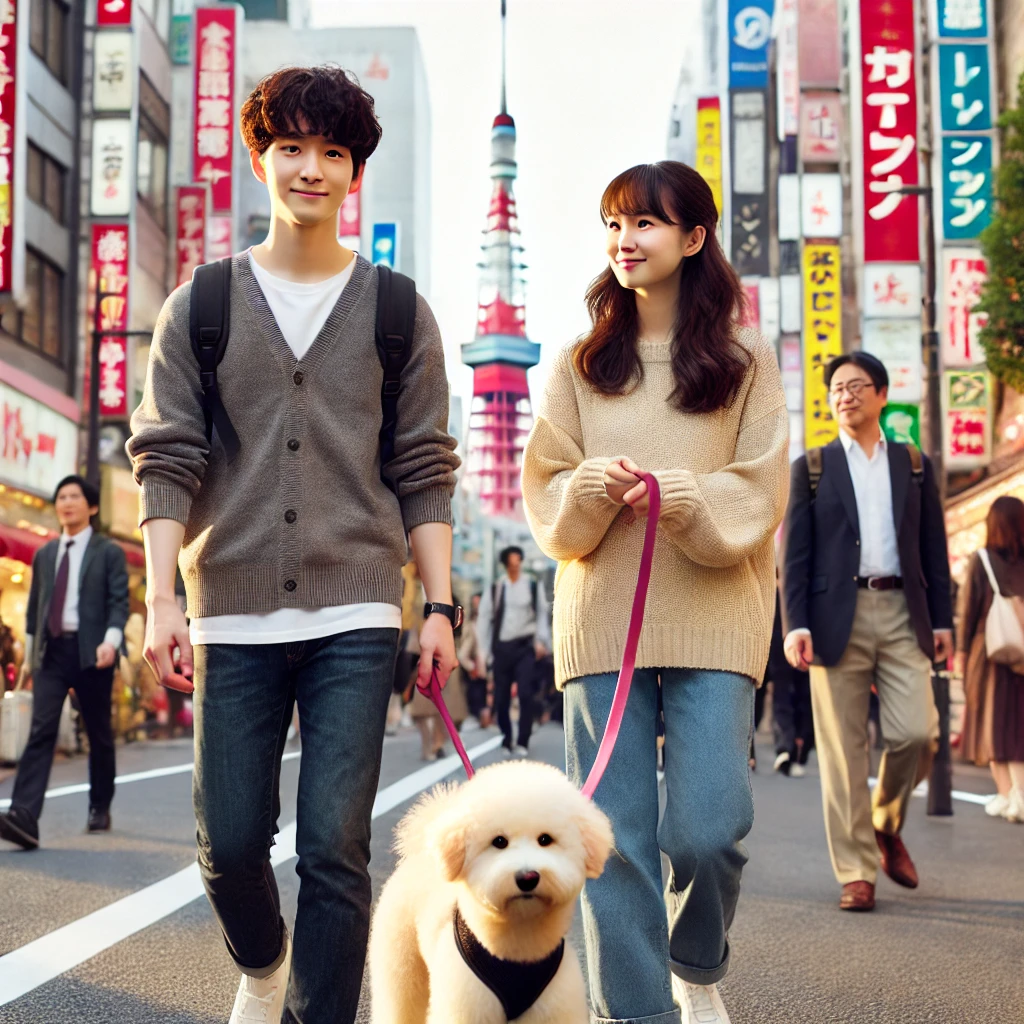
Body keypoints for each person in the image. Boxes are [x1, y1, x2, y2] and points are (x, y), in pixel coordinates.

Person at [126, 66, 460, 1024]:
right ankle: (262, 961)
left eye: (333, 154)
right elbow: (168, 459)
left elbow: (424, 467)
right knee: (229, 843)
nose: (311, 169)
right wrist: (161, 600)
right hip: (229, 608)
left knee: (334, 848)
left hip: (357, 610)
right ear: (259, 155)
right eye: (292, 149)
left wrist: (435, 608)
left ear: (355, 174)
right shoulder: (202, 305)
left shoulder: (399, 311)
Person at [522, 161, 789, 1024]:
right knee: (614, 842)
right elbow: (547, 493)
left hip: (717, 614)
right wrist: (593, 485)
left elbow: (760, 488)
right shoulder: (577, 362)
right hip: (601, 620)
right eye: (612, 223)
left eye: (644, 223)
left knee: (710, 829)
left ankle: (696, 959)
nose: (624, 241)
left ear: (694, 238)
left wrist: (681, 497)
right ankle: (635, 1012)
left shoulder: (748, 360)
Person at [781, 351, 953, 913]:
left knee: (916, 734)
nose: (844, 395)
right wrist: (795, 624)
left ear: (882, 394)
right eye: (836, 389)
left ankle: (886, 822)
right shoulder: (812, 467)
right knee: (842, 754)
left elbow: (934, 549)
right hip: (835, 618)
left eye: (857, 386)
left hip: (904, 610)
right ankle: (856, 872)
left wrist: (945, 620)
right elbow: (796, 555)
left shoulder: (914, 464)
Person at [0, 475, 129, 850]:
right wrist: (28, 657)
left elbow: (119, 602)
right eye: (61, 497)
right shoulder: (45, 554)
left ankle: (99, 804)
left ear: (91, 507)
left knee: (99, 732)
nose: (66, 503)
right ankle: (23, 816)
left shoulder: (108, 552)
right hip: (52, 653)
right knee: (41, 730)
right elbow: (34, 610)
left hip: (93, 653)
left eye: (74, 497)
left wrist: (111, 641)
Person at [954, 495, 1024, 822]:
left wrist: (961, 653)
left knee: (992, 724)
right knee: (1018, 723)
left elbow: (967, 611)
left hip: (991, 650)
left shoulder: (982, 560)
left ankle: (1010, 794)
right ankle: (1014, 795)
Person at [478, 545, 551, 756]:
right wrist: (484, 653)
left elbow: (541, 615)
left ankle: (523, 741)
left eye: (518, 561)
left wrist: (541, 641)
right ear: (505, 564)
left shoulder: (531, 584)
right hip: (502, 648)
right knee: (501, 697)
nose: (515, 565)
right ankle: (506, 738)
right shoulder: (496, 588)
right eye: (511, 562)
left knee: (526, 693)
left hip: (525, 647)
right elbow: (484, 620)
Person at [767, 588, 813, 777]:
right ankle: (785, 747)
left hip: (807, 622)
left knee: (806, 694)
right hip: (779, 627)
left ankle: (799, 748)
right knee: (782, 691)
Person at [457, 592, 491, 726]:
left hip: (490, 664)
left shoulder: (492, 622)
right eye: (475, 603)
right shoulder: (470, 624)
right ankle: (477, 717)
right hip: (477, 667)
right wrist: (472, 666)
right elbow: (463, 652)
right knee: (476, 695)